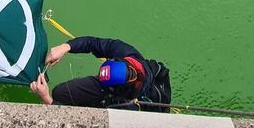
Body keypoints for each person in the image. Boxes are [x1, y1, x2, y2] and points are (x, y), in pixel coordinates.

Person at [29, 36, 171, 109]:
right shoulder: (126, 53)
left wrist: (47, 100)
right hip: (113, 88)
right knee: (60, 93)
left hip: (119, 102)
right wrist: (66, 47)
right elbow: (93, 43)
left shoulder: (130, 109)